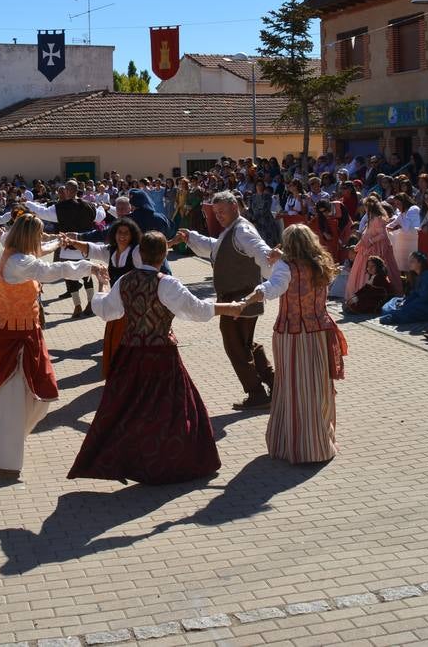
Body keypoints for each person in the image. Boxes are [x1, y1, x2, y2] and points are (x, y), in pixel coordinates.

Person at [69, 232, 251, 484]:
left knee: (127, 409)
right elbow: (197, 310)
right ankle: (168, 462)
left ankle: (134, 460)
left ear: (140, 253)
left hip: (130, 355)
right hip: (161, 355)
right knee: (172, 411)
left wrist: (103, 282)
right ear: (164, 254)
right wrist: (228, 308)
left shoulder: (125, 281)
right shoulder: (167, 283)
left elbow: (104, 311)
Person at [0, 214, 104, 473]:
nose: (41, 239)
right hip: (12, 338)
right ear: (28, 237)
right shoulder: (18, 261)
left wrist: (57, 243)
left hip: (19, 333)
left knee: (14, 396)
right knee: (12, 397)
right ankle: (4, 453)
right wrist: (88, 267)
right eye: (39, 235)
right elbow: (48, 271)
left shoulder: (10, 249)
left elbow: (39, 254)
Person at [246, 223, 348, 464]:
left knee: (293, 387)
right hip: (319, 331)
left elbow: (274, 287)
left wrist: (253, 295)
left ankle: (295, 445)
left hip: (291, 334)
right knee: (316, 386)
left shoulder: (286, 267)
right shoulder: (322, 263)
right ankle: (318, 441)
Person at [177, 191, 277, 411]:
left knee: (235, 347)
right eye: (215, 212)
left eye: (222, 211)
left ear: (235, 207)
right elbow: (217, 247)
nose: (219, 215)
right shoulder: (232, 230)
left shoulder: (242, 230)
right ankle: (274, 385)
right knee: (246, 344)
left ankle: (257, 393)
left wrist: (275, 269)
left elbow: (261, 251)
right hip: (238, 299)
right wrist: (192, 237)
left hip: (241, 299)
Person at [65, 217, 144, 378]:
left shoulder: (136, 252)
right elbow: (91, 248)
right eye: (119, 232)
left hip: (133, 305)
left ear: (132, 235)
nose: (122, 236)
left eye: (126, 233)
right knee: (115, 338)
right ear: (114, 234)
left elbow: (146, 272)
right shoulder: (110, 251)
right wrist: (72, 241)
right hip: (115, 303)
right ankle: (118, 371)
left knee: (130, 339)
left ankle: (131, 372)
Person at [27, 181, 106, 317]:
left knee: (69, 277)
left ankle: (77, 306)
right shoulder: (89, 205)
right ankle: (90, 304)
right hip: (83, 246)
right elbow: (100, 216)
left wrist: (28, 203)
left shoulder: (59, 207)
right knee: (87, 275)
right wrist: (102, 208)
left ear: (68, 190)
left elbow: (42, 213)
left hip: (66, 246)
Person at [346, 196, 402, 303]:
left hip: (377, 248)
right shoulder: (371, 218)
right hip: (367, 246)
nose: (364, 209)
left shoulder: (378, 218)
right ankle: (360, 294)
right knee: (363, 268)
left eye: (365, 207)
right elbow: (367, 234)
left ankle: (371, 295)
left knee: (374, 268)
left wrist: (370, 242)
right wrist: (360, 244)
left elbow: (383, 235)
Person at [379, 252, 428, 326]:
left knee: (408, 310)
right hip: (421, 302)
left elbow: (425, 297)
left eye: (412, 261)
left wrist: (408, 304)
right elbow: (415, 293)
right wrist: (405, 301)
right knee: (395, 300)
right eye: (409, 261)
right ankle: (394, 314)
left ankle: (394, 317)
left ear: (420, 263)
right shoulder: (419, 276)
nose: (410, 263)